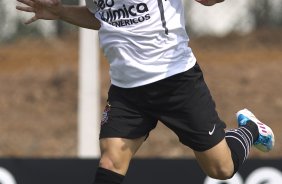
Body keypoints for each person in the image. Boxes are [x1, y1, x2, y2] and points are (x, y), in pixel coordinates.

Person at [16, 0, 275, 183]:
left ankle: (251, 128)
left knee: (221, 169)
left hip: (176, 81)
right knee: (110, 161)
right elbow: (102, 18)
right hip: (127, 91)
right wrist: (61, 13)